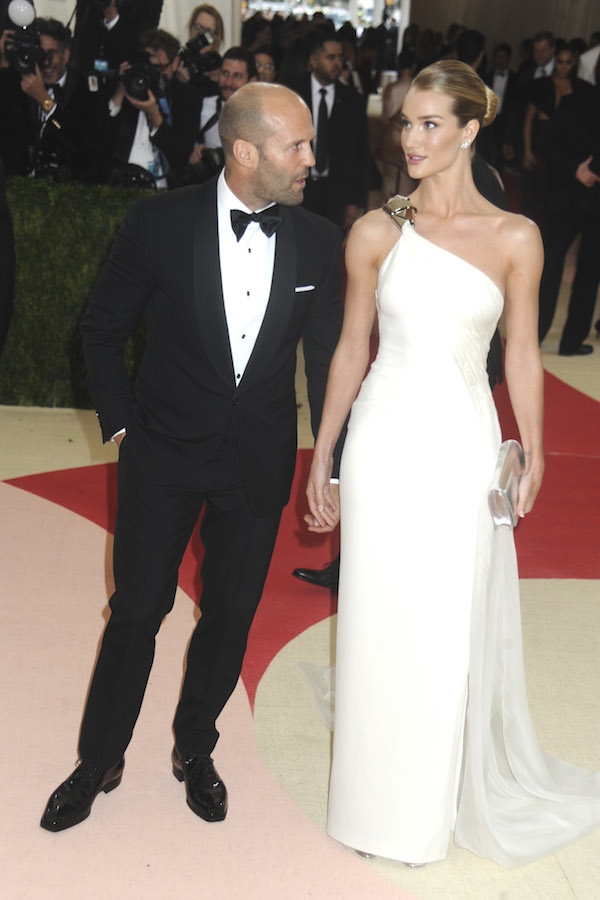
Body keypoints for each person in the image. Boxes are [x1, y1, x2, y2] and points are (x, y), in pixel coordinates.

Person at [304, 60, 600, 867]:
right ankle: (369, 807)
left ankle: (423, 810)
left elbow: (523, 354)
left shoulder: (515, 236)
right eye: (406, 122)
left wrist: (534, 446)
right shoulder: (376, 231)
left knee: (441, 623)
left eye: (430, 124)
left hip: (461, 443)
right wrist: (325, 452)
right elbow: (351, 348)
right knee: (374, 617)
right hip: (382, 442)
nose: (412, 138)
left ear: (471, 130)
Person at [40, 81, 344, 833]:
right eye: (296, 146)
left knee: (231, 614)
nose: (311, 159)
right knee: (137, 610)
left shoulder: (318, 239)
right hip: (162, 455)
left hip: (257, 461)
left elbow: (325, 362)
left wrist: (330, 463)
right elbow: (101, 331)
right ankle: (97, 760)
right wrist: (122, 429)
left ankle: (195, 747)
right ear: (245, 151)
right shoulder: (157, 223)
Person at [185, 47, 257, 184]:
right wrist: (196, 152)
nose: (228, 82)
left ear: (252, 81)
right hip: (209, 183)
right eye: (225, 73)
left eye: (237, 76)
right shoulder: (203, 105)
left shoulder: (263, 115)